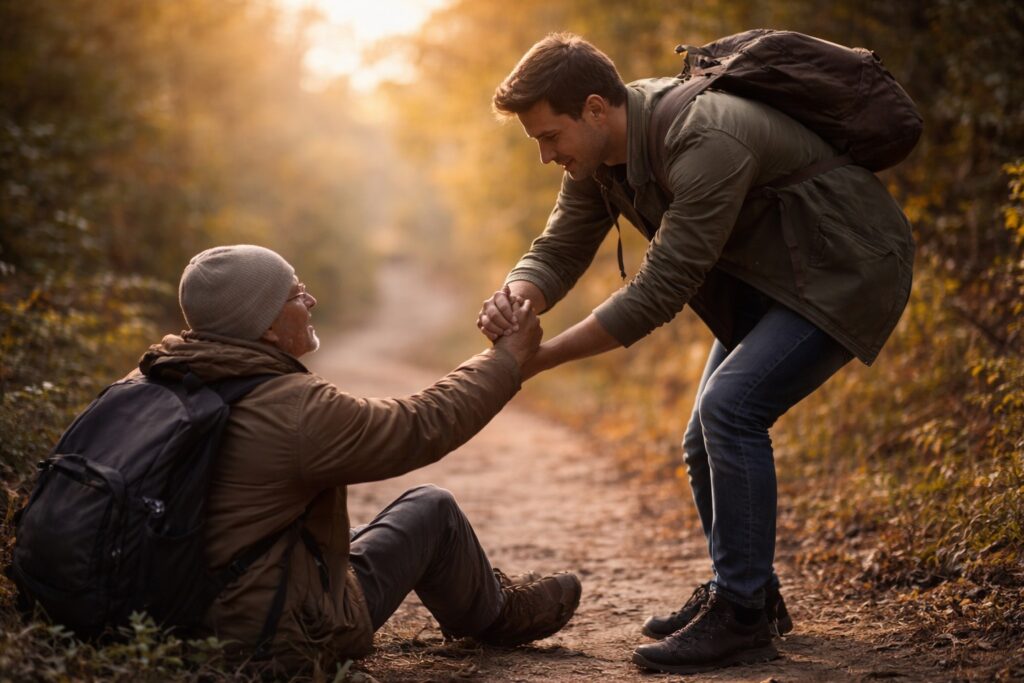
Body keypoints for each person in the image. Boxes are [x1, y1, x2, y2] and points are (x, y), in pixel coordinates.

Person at [477, 33, 913, 674]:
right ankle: (753, 596)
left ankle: (739, 618)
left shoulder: (705, 138)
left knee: (730, 409)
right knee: (702, 435)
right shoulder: (601, 159)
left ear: (596, 109)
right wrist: (515, 301)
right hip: (777, 277)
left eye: (549, 137)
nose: (545, 155)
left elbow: (658, 291)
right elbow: (560, 247)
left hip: (846, 267)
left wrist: (536, 360)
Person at [144, 244, 581, 672]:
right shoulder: (289, 406)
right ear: (267, 329)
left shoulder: (149, 384)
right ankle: (499, 615)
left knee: (346, 532)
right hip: (276, 639)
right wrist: (506, 359)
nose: (311, 300)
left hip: (169, 625)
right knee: (431, 509)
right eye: (296, 294)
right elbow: (418, 425)